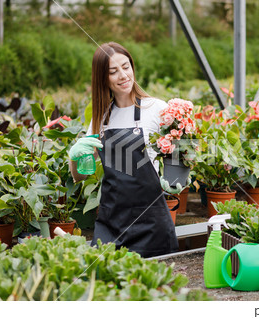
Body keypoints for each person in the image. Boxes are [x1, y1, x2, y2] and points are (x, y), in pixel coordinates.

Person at [68, 42, 178, 258]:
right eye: (113, 71)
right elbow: (80, 175)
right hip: (112, 224)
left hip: (152, 222)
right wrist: (75, 156)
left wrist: (175, 179)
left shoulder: (156, 109)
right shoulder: (101, 119)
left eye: (126, 67)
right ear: (103, 78)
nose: (123, 75)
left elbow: (182, 152)